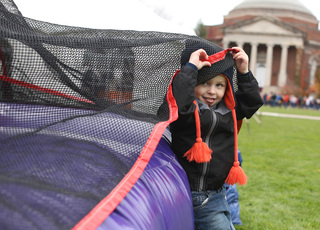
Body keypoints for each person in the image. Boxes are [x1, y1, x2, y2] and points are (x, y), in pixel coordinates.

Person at [169, 41, 263, 230]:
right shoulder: (187, 111)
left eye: (219, 85)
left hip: (219, 191)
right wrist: (190, 69)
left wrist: (244, 73)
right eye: (204, 83)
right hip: (198, 194)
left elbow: (252, 102)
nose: (212, 91)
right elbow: (179, 97)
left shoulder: (229, 112)